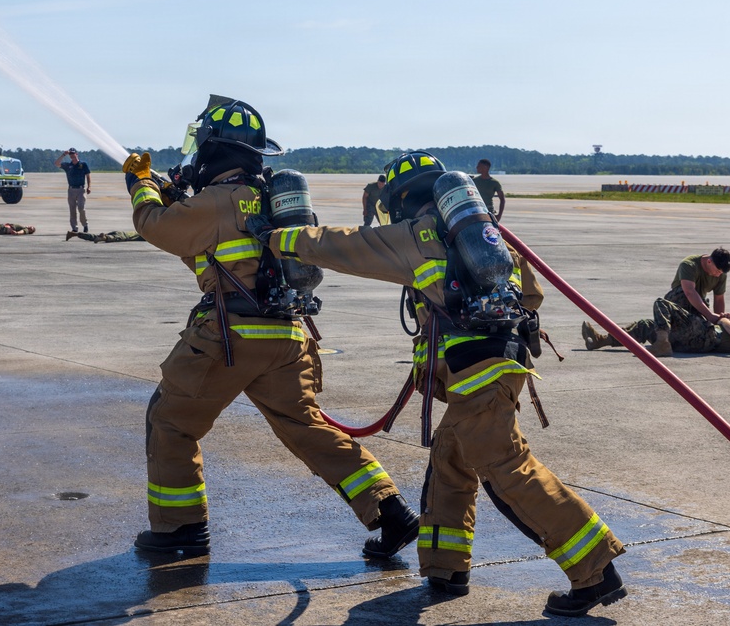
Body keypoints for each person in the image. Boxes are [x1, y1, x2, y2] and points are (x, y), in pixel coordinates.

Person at [247, 151, 627, 617]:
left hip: (479, 373)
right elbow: (532, 293)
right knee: (450, 458)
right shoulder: (482, 232)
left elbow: (340, 244)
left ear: (400, 200)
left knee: (507, 469)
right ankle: (446, 569)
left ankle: (595, 570)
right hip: (494, 367)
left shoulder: (413, 234)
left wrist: (275, 237)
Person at [120, 97, 419, 559]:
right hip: (286, 336)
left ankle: (180, 529)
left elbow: (156, 226)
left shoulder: (219, 200)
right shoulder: (266, 200)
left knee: (171, 421)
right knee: (307, 428)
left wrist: (140, 184)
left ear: (212, 150)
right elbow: (203, 242)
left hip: (229, 337)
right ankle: (390, 510)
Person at [583, 302, 730, 356]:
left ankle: (663, 344)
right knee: (646, 325)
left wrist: (720, 319)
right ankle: (601, 341)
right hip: (699, 341)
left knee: (663, 304)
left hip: (706, 337)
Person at [54, 147, 91, 233]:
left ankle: (85, 224)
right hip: (71, 190)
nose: (72, 156)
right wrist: (64, 154)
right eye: (70, 154)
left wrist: (89, 186)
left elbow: (88, 175)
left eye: (73, 154)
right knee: (72, 209)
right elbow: (56, 163)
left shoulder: (83, 164)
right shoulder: (68, 165)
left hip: (81, 189)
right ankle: (74, 228)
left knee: (81, 208)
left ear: (76, 154)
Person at [65, 229, 144, 243]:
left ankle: (75, 234)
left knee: (94, 237)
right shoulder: (143, 235)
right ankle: (105, 237)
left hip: (119, 232)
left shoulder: (141, 231)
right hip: (122, 235)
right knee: (113, 238)